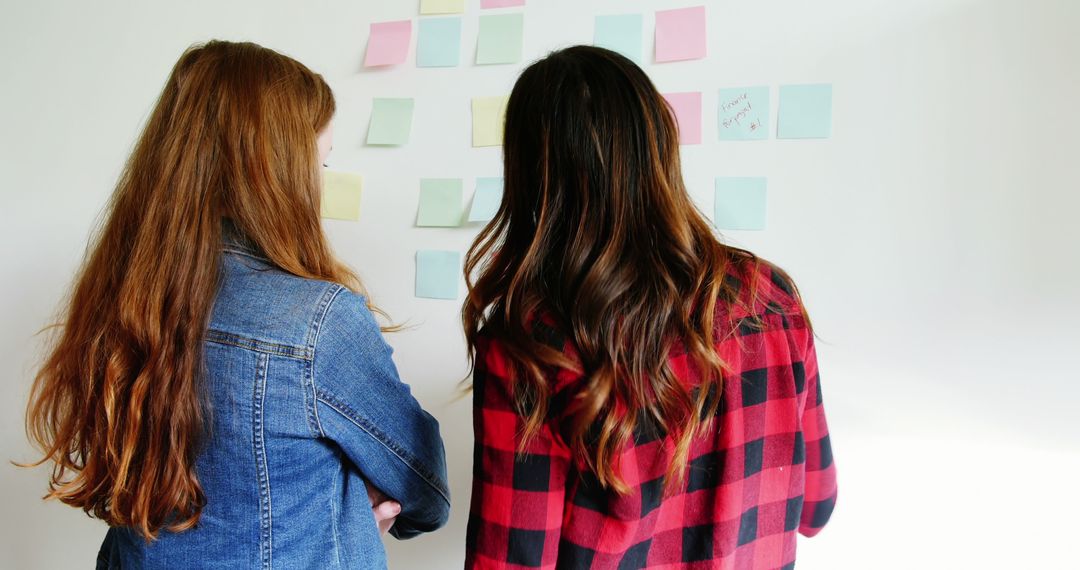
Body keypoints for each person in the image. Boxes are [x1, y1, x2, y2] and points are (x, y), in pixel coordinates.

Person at [23, 40, 449, 569]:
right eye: (320, 161)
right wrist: (355, 503)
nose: (319, 183)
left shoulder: (118, 300)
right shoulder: (318, 323)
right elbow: (426, 487)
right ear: (276, 172)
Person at [462, 46, 836, 569]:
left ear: (531, 175)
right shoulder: (770, 298)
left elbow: (509, 561)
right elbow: (816, 505)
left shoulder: (532, 343)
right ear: (657, 145)